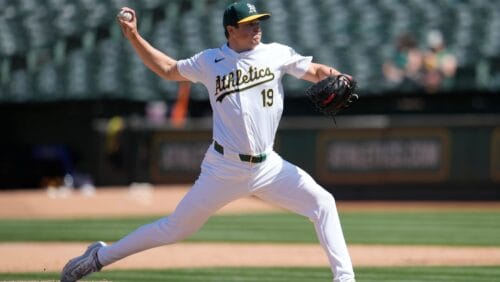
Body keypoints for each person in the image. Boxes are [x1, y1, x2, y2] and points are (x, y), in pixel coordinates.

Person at [60, 2, 355, 282]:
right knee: (174, 229)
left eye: (258, 22)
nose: (256, 28)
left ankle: (345, 278)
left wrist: (337, 75)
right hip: (223, 168)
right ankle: (98, 257)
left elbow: (315, 71)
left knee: (323, 203)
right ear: (230, 29)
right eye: (248, 24)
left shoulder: (275, 53)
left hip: (269, 167)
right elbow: (167, 69)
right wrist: (135, 36)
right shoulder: (209, 61)